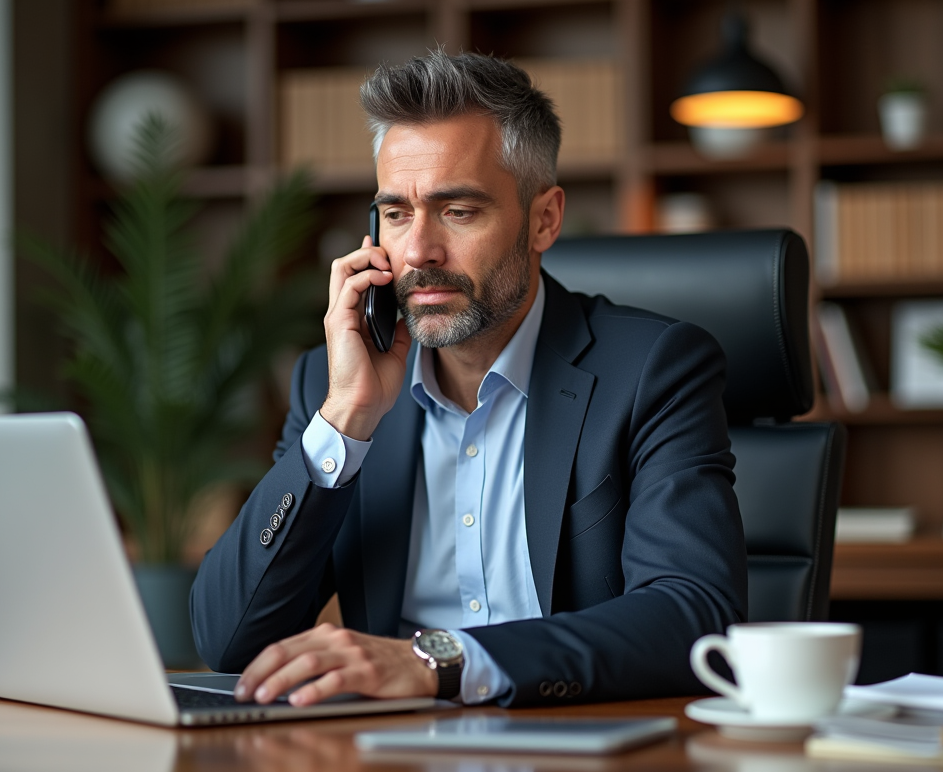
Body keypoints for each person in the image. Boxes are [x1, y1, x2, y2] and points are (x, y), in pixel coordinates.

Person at [190, 50, 747, 708]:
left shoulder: (654, 369)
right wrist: (345, 419)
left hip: (574, 753)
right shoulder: (334, 385)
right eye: (396, 214)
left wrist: (439, 661)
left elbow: (694, 615)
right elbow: (227, 640)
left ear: (544, 220)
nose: (419, 251)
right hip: (390, 762)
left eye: (458, 211)